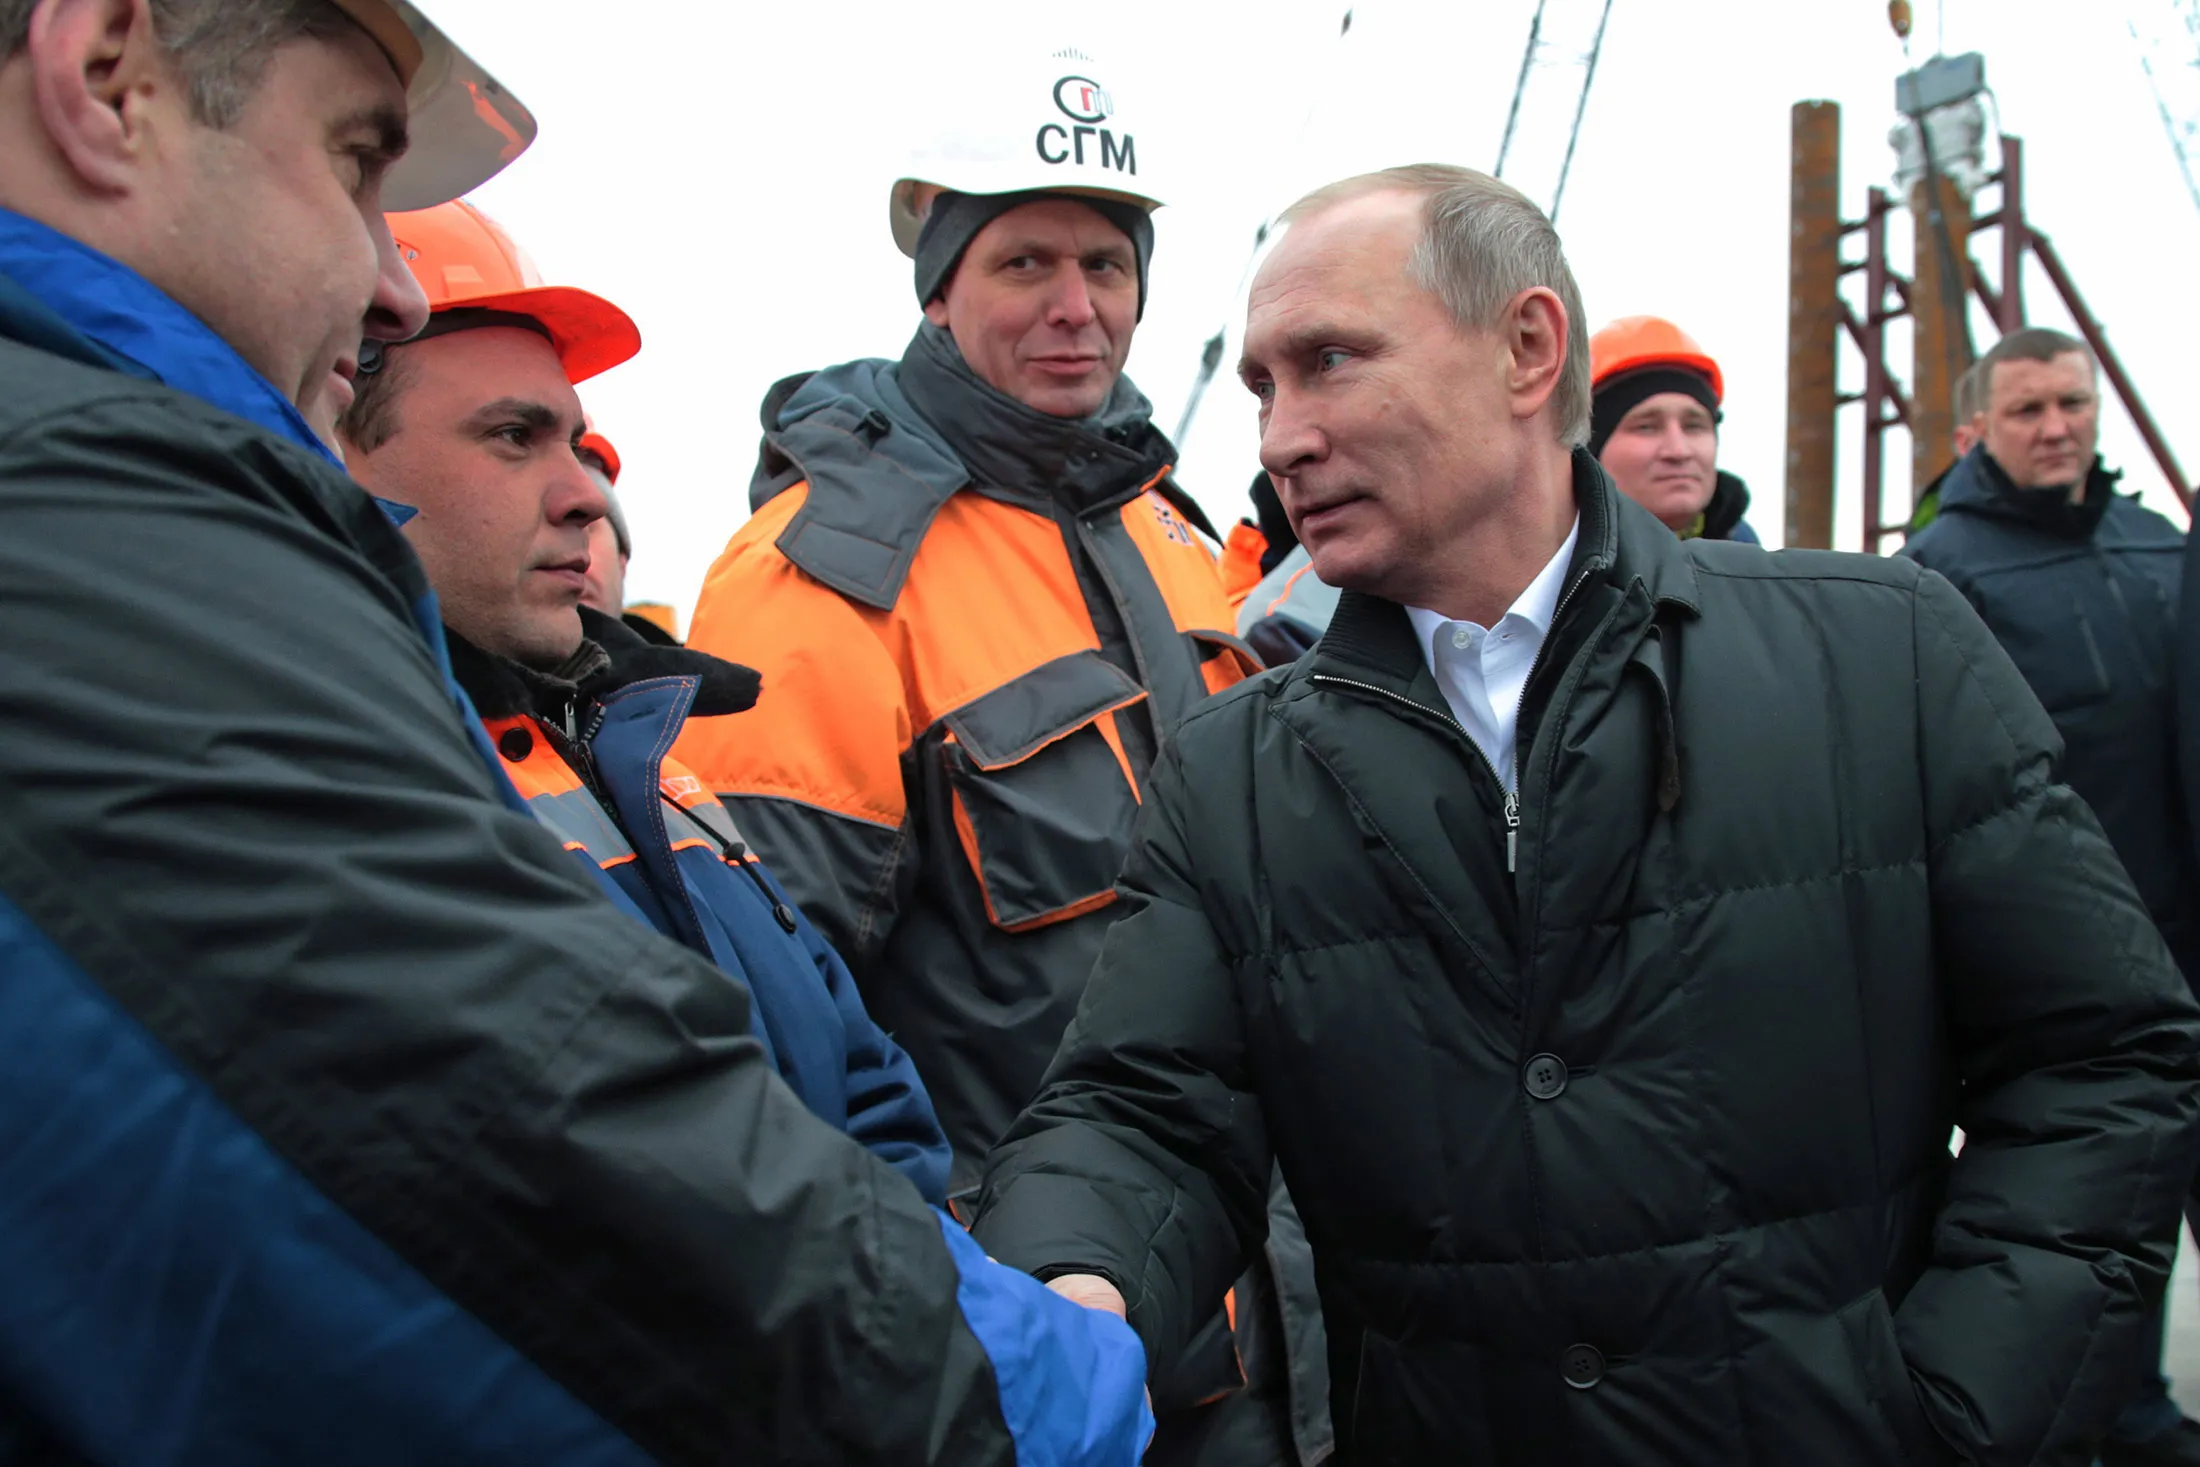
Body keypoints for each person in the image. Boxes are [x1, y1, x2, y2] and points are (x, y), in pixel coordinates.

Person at [0, 1, 1150, 1460]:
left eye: (1107, 262)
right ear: (105, 73)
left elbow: (851, 1092)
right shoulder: (111, 557)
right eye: (356, 160)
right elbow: (560, 1191)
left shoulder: (646, 749)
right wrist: (1062, 1373)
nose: (387, 287)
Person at [972, 163, 2200, 1467]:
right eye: (1265, 385)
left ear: (1526, 346)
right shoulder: (1235, 771)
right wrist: (1072, 1278)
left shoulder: (1882, 655)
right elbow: (1141, 1110)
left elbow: (2103, 1054)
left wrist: (1963, 1409)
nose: (1279, 439)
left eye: (1329, 360)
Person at [673, 42, 1326, 1467]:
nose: (1076, 308)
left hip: (1271, 1310)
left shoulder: (1170, 529)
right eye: (1025, 262)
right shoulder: (824, 575)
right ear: (940, 282)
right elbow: (770, 1033)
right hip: (1034, 1340)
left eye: (1107, 261)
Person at [340, 198, 954, 1204]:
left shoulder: (648, 763)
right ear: (338, 454)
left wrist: (940, 1312)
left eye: (574, 441)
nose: (583, 491)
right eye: (512, 437)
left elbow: (868, 1086)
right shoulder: (364, 783)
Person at [1901, 325, 2200, 1466]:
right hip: (2072, 948)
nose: (2058, 427)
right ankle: (2131, 1419)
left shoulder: (2158, 547)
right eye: (2029, 410)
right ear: (1980, 428)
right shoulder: (1945, 571)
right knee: (2113, 1198)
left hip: (2187, 921)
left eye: (2072, 404)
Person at [1586, 315, 1761, 543]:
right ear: (1590, 447)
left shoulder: (1744, 552)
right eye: (1647, 427)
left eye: (1693, 426)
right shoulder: (1550, 562)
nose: (1679, 451)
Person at [1907, 356, 1985, 533]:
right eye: (2026, 412)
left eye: (2064, 405)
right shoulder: (1936, 531)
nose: (2055, 430)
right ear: (1965, 442)